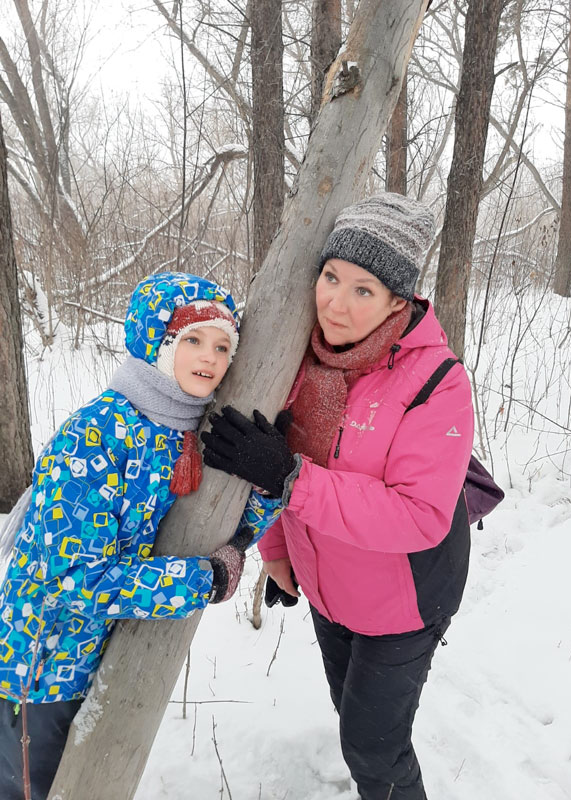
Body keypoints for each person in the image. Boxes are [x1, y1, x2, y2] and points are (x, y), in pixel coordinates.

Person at [201, 194, 475, 800]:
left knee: (374, 752)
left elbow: (420, 515)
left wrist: (291, 479)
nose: (335, 302)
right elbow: (265, 459)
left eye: (364, 290)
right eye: (331, 278)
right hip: (329, 592)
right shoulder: (298, 357)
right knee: (355, 725)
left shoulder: (436, 381)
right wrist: (276, 550)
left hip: (404, 604)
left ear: (397, 302)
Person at [0, 271, 281, 800]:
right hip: (40, 668)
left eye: (224, 345)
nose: (211, 356)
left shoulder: (186, 434)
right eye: (192, 339)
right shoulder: (97, 435)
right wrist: (203, 580)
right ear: (154, 343)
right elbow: (76, 580)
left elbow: (220, 529)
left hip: (106, 660)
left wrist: (270, 486)